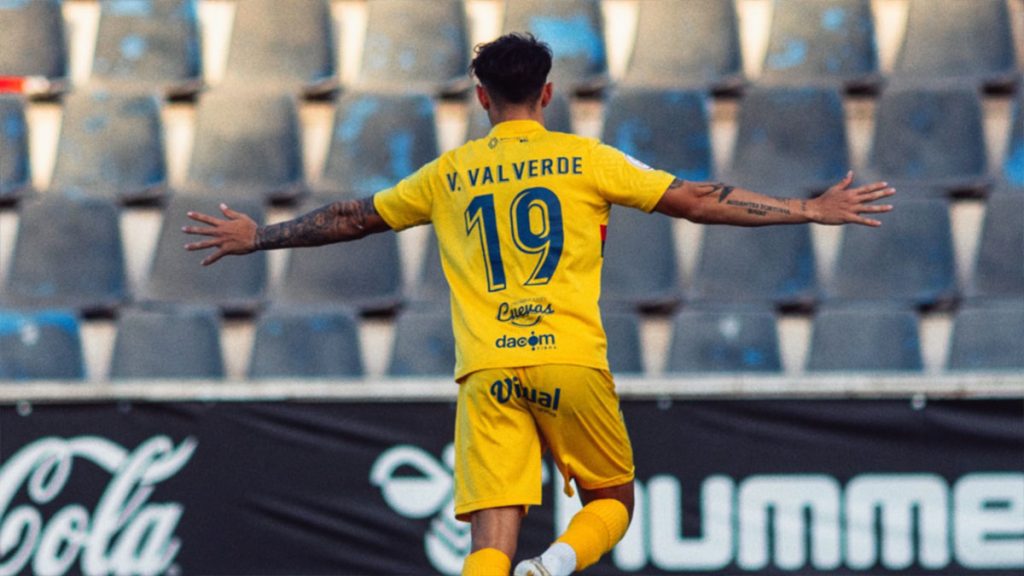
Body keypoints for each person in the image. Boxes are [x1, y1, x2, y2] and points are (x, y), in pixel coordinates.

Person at [183, 33, 894, 576]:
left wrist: (258, 237)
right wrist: (809, 207)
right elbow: (698, 202)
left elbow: (350, 217)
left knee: (490, 537)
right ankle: (555, 565)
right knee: (612, 501)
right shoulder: (590, 160)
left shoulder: (448, 175)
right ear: (547, 95)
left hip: (487, 371)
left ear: (482, 97)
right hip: (571, 360)